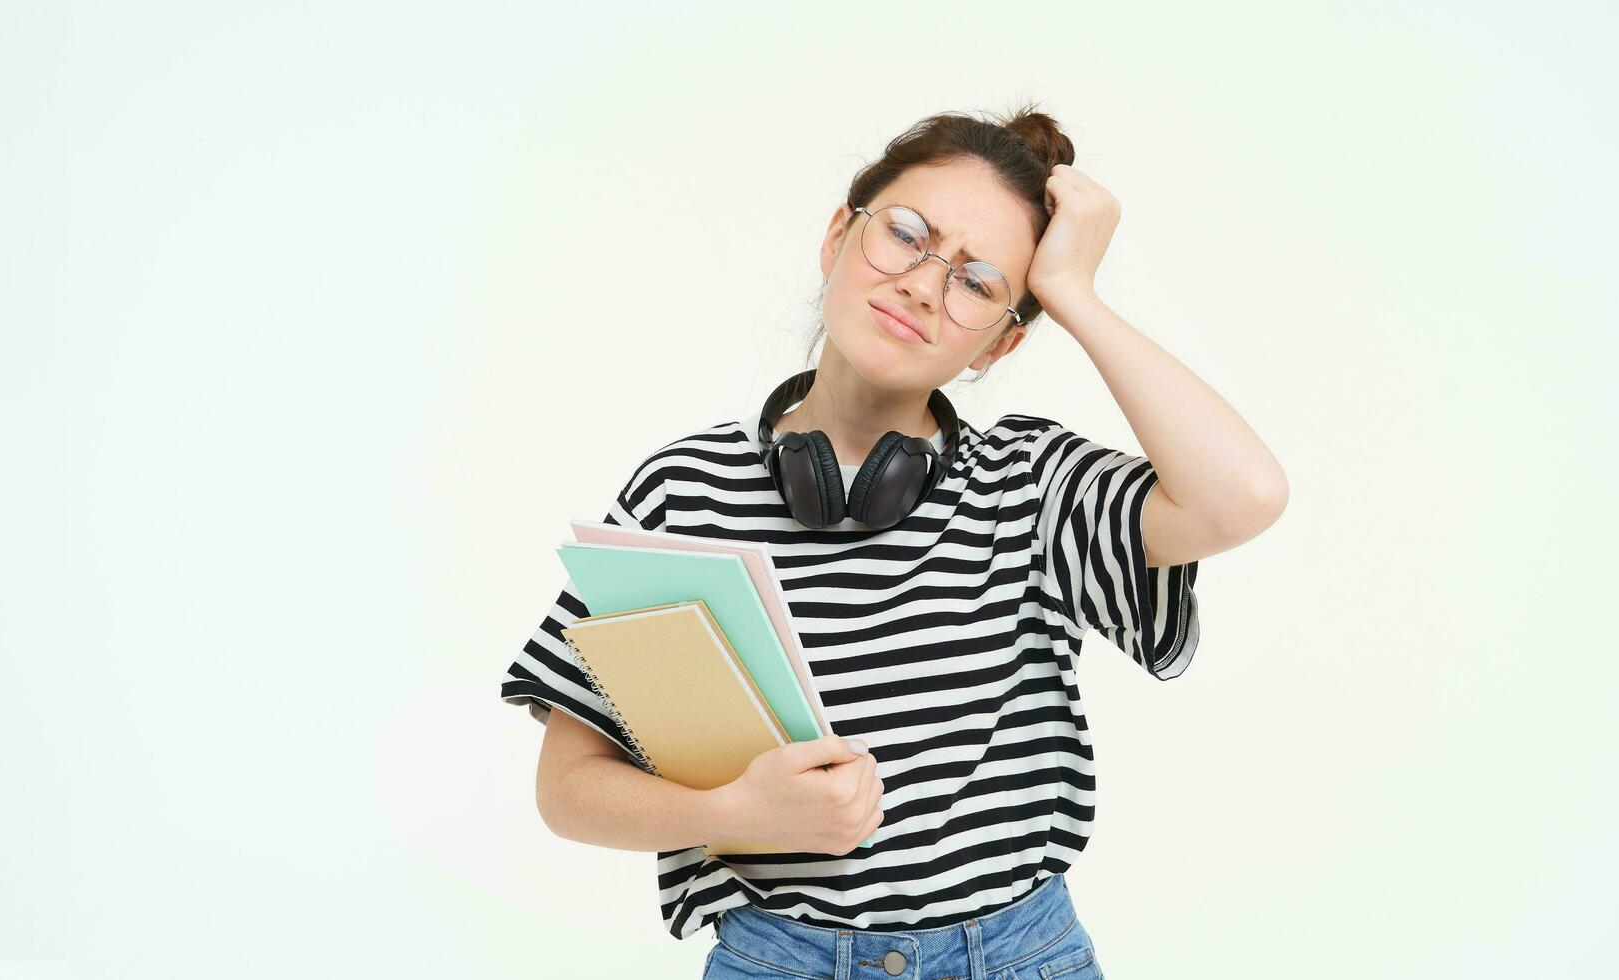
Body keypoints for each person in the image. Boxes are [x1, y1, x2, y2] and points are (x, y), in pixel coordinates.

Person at [498, 103, 1288, 978]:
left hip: (1019, 956)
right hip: (779, 959)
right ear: (839, 234)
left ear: (1004, 342)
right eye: (906, 235)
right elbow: (567, 790)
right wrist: (738, 812)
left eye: (980, 283)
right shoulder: (681, 492)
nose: (923, 284)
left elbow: (1243, 495)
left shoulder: (1029, 484)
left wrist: (1074, 292)